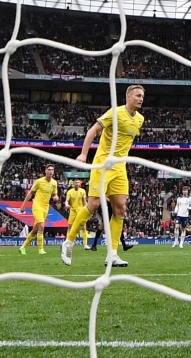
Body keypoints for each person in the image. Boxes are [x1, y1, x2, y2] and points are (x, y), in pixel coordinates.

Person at [62, 84, 145, 268]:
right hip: (102, 164)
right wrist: (84, 154)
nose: (141, 98)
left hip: (120, 168)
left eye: (142, 96)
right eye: (138, 95)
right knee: (93, 204)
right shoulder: (115, 113)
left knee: (120, 209)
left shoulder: (140, 119)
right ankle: (68, 242)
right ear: (128, 97)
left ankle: (112, 254)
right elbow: (93, 130)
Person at [18, 164, 59, 255]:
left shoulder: (54, 183)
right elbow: (30, 194)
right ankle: (41, 249)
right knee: (41, 226)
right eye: (49, 169)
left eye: (52, 170)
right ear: (45, 171)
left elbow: (53, 194)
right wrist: (23, 205)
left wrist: (56, 197)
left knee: (35, 229)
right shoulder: (39, 181)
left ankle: (23, 247)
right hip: (37, 205)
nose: (50, 171)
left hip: (46, 207)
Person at [64, 179, 89, 250]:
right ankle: (67, 244)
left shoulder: (82, 191)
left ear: (80, 184)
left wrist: (88, 211)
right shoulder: (70, 192)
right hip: (73, 211)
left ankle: (85, 245)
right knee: (70, 227)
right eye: (75, 183)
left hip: (81, 211)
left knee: (83, 227)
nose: (77, 184)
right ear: (73, 184)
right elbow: (67, 200)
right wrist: (66, 204)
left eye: (78, 182)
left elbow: (84, 201)